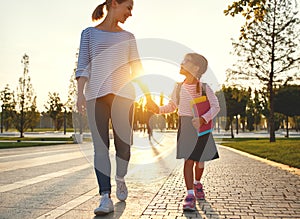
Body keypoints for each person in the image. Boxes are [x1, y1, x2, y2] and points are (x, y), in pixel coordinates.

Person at [75, 0, 156, 215]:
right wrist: (80, 95)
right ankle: (104, 196)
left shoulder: (128, 37)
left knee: (124, 146)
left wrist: (148, 97)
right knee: (100, 147)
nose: (130, 13)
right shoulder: (89, 34)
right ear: (113, 3)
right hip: (95, 97)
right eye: (128, 7)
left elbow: (137, 67)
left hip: (123, 97)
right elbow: (83, 64)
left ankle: (120, 178)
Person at [148, 53, 220, 211]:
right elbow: (172, 106)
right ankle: (189, 195)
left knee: (200, 161)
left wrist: (203, 118)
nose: (182, 63)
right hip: (186, 126)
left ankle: (197, 183)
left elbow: (216, 107)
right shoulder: (178, 87)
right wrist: (158, 109)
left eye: (186, 61)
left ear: (196, 68)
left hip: (201, 127)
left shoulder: (204, 88)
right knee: (188, 161)